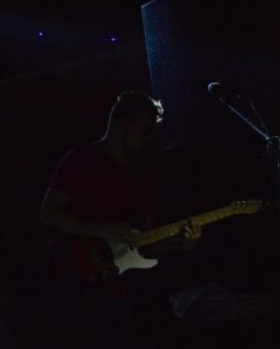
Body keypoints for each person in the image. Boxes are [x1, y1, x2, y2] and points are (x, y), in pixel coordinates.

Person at [39, 90, 200, 317]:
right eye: (146, 128)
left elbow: (143, 237)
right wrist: (103, 229)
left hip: (130, 287)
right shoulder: (81, 159)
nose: (151, 137)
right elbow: (48, 213)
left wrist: (182, 244)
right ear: (124, 122)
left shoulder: (142, 170)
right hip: (84, 284)